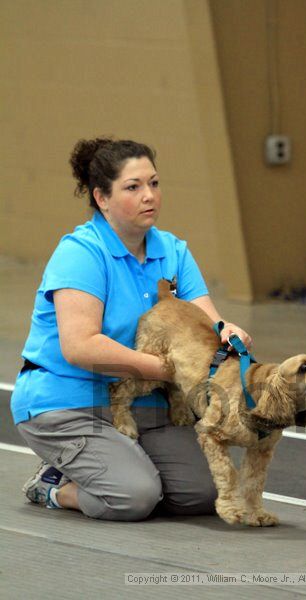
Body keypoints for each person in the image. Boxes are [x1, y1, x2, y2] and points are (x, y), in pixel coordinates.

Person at [10, 137, 253, 521]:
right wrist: (170, 370)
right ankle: (55, 486)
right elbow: (81, 348)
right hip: (69, 402)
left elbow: (208, 321)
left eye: (154, 183)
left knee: (203, 493)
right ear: (102, 198)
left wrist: (229, 334)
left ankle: (118, 462)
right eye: (133, 187)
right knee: (134, 497)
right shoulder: (81, 253)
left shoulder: (173, 251)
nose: (149, 196)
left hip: (144, 403)